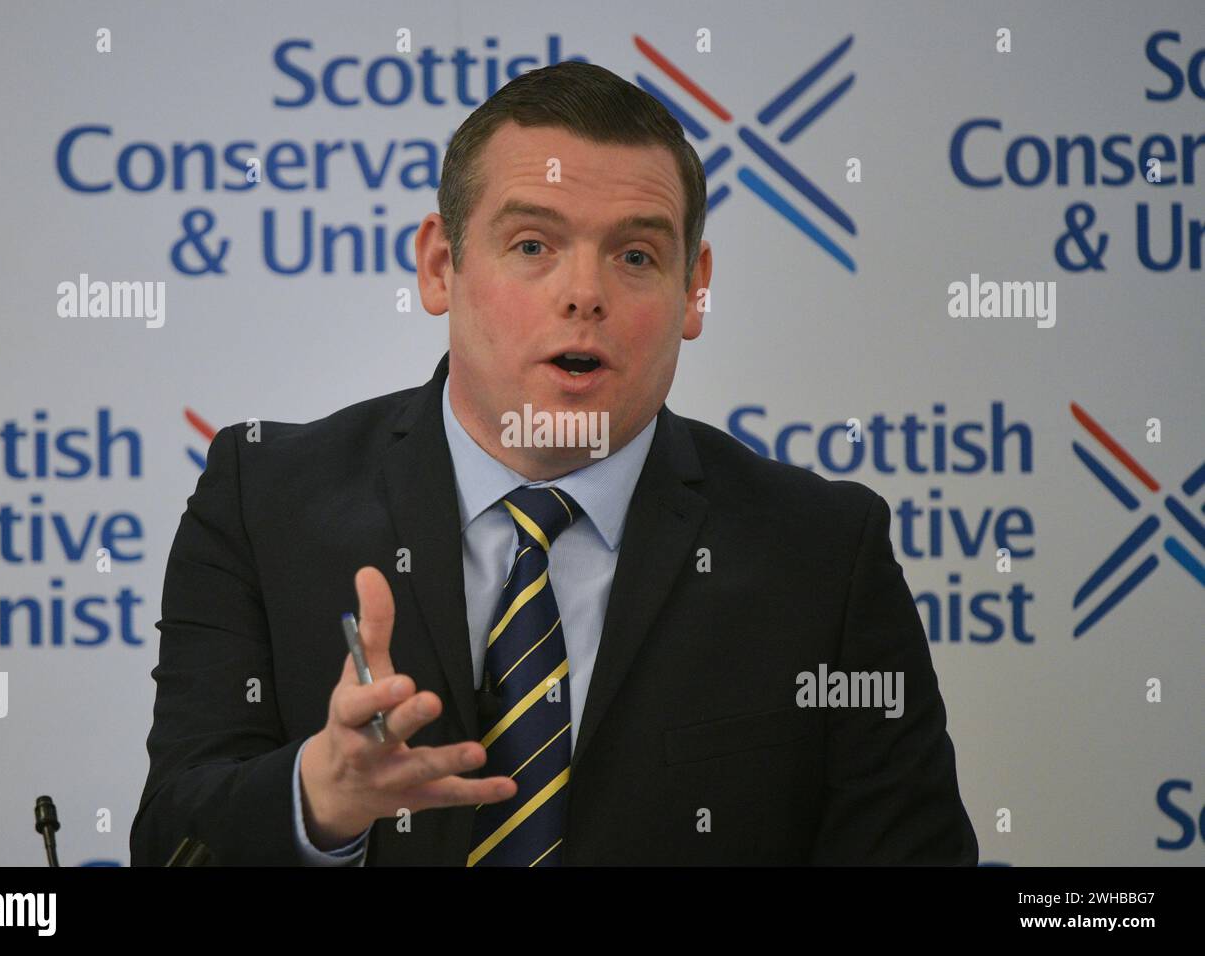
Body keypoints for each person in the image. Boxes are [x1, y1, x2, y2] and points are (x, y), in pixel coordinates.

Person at [130, 59, 978, 866]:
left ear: (694, 290)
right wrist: (316, 799)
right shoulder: (261, 499)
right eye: (533, 244)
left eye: (636, 255)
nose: (585, 293)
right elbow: (170, 842)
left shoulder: (823, 555)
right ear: (440, 266)